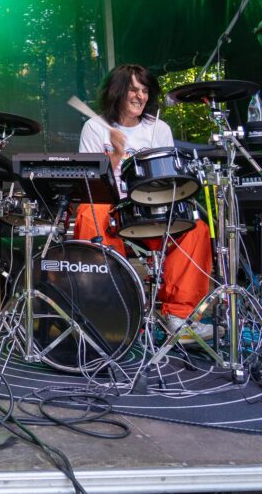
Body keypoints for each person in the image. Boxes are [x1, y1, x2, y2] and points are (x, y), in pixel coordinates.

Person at [74, 64, 214, 340]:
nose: (140, 96)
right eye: (133, 90)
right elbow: (91, 184)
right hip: (113, 210)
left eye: (145, 90)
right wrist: (116, 154)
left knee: (196, 229)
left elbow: (169, 179)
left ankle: (178, 316)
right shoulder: (94, 127)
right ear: (117, 92)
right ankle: (106, 309)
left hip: (153, 209)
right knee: (90, 213)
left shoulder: (158, 128)